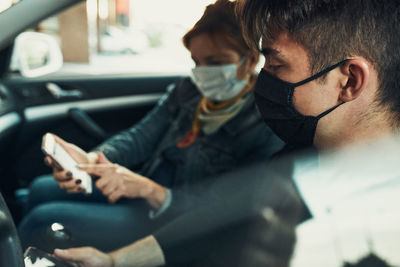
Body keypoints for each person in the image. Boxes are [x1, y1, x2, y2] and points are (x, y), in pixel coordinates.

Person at [51, 0, 400, 266]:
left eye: (276, 65)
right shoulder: (296, 157)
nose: (263, 80)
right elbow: (218, 219)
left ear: (350, 80)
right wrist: (114, 261)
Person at [18, 0, 284, 252]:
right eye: (196, 62)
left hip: (178, 221)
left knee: (43, 221)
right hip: (145, 191)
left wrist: (150, 190)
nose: (202, 73)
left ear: (250, 60)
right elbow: (140, 136)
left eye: (215, 63)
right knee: (40, 188)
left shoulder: (266, 123)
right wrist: (93, 159)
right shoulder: (187, 90)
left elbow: (226, 209)